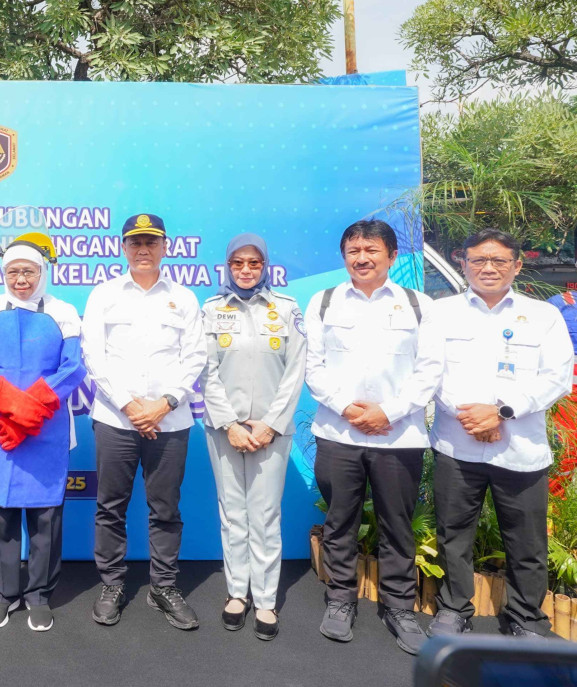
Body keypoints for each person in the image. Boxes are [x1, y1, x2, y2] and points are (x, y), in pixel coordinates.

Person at [304, 219, 442, 655]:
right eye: (353, 250)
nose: (362, 258)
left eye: (371, 250)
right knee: (340, 520)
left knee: (397, 524)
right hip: (338, 432)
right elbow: (313, 366)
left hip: (398, 437)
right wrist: (348, 408)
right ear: (344, 256)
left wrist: (390, 411)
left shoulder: (418, 305)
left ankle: (400, 607)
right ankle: (340, 599)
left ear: (392, 256)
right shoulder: (324, 302)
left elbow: (430, 369)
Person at [428, 229, 573, 639]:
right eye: (478, 260)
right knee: (453, 535)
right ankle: (454, 609)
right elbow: (431, 374)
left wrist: (501, 413)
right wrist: (474, 418)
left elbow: (557, 377)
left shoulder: (542, 315)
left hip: (521, 450)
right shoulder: (442, 312)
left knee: (526, 544)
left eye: (498, 261)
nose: (488, 268)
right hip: (457, 446)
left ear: (517, 265)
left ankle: (526, 618)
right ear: (464, 263)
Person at [81, 213, 207, 629]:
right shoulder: (104, 295)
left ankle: (163, 587)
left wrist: (164, 403)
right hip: (116, 419)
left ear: (165, 246)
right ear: (123, 247)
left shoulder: (184, 298)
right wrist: (130, 406)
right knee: (110, 507)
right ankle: (113, 584)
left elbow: (195, 357)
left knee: (165, 508)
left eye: (151, 242)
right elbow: (94, 357)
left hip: (170, 422)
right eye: (135, 242)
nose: (143, 250)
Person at [0, 218, 84, 632]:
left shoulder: (64, 312)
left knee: (45, 516)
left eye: (28, 271)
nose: (21, 279)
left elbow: (72, 370)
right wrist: (9, 404)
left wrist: (30, 406)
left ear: (42, 273)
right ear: (3, 274)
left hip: (46, 426)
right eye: (13, 271)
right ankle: (4, 594)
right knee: (0, 514)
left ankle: (38, 595)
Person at [199, 233, 306, 641]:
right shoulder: (212, 310)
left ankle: (264, 599)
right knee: (233, 513)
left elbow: (296, 369)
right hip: (224, 429)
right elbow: (204, 371)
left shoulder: (286, 309)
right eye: (238, 263)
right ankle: (235, 594)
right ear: (228, 266)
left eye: (254, 263)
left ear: (266, 266)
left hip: (270, 432)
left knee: (264, 515)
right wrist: (228, 423)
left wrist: (269, 424)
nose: (246, 270)